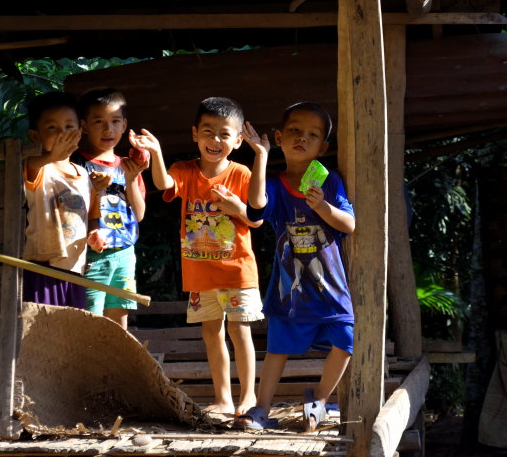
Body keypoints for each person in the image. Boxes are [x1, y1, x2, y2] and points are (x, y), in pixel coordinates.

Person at [130, 96, 264, 417]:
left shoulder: (242, 173)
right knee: (211, 334)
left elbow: (257, 217)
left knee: (239, 330)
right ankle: (223, 399)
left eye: (223, 133)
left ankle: (248, 397)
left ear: (237, 140)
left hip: (236, 272)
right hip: (200, 274)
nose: (215, 140)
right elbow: (163, 182)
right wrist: (156, 152)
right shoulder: (185, 170)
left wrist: (237, 209)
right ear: (194, 134)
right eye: (207, 132)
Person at [235, 102, 356, 431]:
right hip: (289, 290)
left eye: (312, 135)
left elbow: (348, 224)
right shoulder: (274, 183)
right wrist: (260, 155)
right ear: (278, 137)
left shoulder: (329, 182)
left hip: (330, 288)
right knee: (277, 349)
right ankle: (261, 410)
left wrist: (324, 207)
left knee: (346, 339)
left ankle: (319, 398)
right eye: (294, 131)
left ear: (323, 147)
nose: (303, 138)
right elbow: (257, 207)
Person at [72, 88, 147, 330]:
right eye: (99, 122)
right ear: (84, 126)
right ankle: (90, 367)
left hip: (124, 252)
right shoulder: (76, 164)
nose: (108, 129)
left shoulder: (128, 165)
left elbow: (139, 214)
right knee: (90, 317)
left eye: (115, 121)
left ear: (125, 125)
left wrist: (133, 179)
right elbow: (69, 213)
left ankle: (115, 367)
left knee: (119, 318)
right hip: (91, 254)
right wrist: (93, 190)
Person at [23, 91, 98, 309]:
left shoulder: (83, 174)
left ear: (80, 131)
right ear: (35, 135)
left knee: (69, 331)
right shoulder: (40, 167)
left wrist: (94, 233)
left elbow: (90, 214)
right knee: (41, 330)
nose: (62, 134)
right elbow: (31, 166)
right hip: (42, 266)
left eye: (68, 127)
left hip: (75, 268)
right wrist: (51, 156)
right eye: (52, 128)